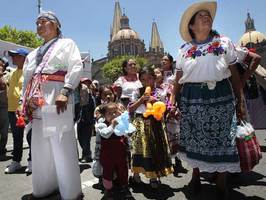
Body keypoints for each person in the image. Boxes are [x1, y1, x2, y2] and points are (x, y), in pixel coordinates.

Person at [171, 1, 244, 198]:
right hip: (192, 98)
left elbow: (234, 74)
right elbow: (178, 80)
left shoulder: (224, 43)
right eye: (200, 16)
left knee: (224, 138)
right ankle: (195, 175)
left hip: (221, 96)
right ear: (192, 26)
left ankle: (221, 180)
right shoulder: (184, 49)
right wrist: (172, 100)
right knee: (195, 138)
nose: (206, 17)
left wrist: (240, 100)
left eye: (208, 15)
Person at [21, 11, 83, 199]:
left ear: (55, 24)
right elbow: (26, 80)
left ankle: (71, 193)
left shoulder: (67, 44)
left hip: (56, 96)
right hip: (36, 100)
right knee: (40, 145)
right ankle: (44, 188)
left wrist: (66, 90)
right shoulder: (32, 54)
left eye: (43, 22)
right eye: (37, 22)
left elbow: (76, 66)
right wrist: (24, 102)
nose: (39, 25)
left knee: (61, 143)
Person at [129, 67, 173, 189]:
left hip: (155, 123)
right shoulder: (137, 91)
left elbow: (165, 107)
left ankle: (153, 176)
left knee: (154, 149)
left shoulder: (160, 92)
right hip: (140, 123)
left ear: (154, 78)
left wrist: (155, 101)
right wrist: (141, 99)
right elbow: (131, 108)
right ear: (140, 81)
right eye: (143, 79)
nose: (146, 82)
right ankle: (136, 175)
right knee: (138, 149)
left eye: (149, 78)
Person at [95, 102, 133, 200]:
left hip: (120, 152)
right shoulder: (101, 124)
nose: (113, 115)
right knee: (107, 172)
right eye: (110, 113)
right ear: (103, 115)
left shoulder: (120, 122)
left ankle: (124, 187)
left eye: (115, 112)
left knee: (123, 170)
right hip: (107, 155)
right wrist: (112, 125)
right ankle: (108, 190)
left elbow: (128, 133)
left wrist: (128, 128)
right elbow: (105, 134)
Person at [159, 54, 186, 175]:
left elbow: (177, 90)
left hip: (173, 108)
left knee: (175, 133)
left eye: (166, 60)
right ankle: (166, 160)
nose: (163, 61)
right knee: (164, 134)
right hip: (160, 109)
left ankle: (178, 160)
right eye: (162, 60)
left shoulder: (175, 75)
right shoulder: (158, 75)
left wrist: (173, 105)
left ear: (170, 62)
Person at [4, 48, 29, 173]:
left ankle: (32, 161)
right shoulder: (12, 73)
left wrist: (23, 107)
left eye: (16, 56)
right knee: (16, 137)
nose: (13, 58)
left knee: (30, 136)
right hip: (12, 109)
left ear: (24, 58)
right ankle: (16, 161)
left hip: (25, 110)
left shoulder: (29, 72)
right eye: (12, 56)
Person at [77, 77, 95, 163]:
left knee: (86, 139)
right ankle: (86, 153)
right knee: (80, 138)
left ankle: (87, 155)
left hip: (88, 120)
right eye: (84, 82)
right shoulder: (78, 95)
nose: (85, 84)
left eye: (87, 83)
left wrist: (93, 120)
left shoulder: (90, 95)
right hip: (80, 120)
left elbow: (93, 108)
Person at [0, 57, 9, 160]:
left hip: (5, 107)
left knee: (4, 132)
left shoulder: (8, 75)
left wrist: (1, 74)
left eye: (1, 65)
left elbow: (4, 86)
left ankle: (2, 151)